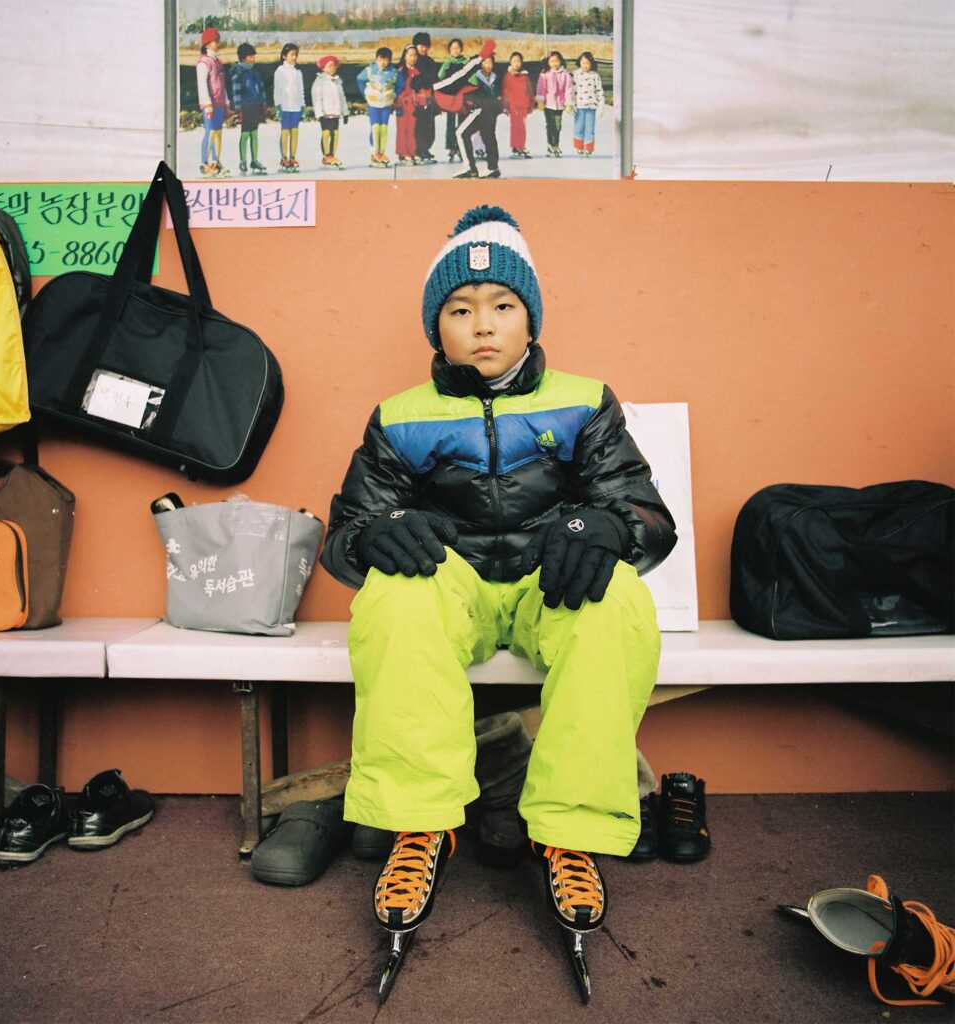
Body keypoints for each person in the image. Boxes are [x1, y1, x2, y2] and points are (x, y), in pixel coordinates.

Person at [320, 204, 676, 994]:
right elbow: (346, 533)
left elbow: (647, 516)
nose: (483, 324)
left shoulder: (586, 400)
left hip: (549, 585)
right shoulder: (400, 415)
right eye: (460, 309)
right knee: (394, 597)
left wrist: (600, 525)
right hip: (461, 588)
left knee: (614, 601)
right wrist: (374, 537)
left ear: (530, 318)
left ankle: (569, 833)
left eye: (502, 305)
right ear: (435, 329)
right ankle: (422, 824)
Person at [433, 40, 503, 179]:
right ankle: (493, 168)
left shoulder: (441, 86)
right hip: (488, 104)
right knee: (487, 134)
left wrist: (482, 55)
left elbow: (464, 72)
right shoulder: (434, 96)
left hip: (482, 105)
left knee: (461, 132)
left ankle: (470, 168)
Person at [196, 27, 231, 178]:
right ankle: (205, 162)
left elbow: (222, 84)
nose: (219, 44)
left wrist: (227, 103)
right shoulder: (204, 63)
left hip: (220, 103)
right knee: (210, 132)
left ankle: (216, 162)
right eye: (216, 41)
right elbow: (202, 85)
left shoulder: (218, 62)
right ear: (207, 44)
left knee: (218, 133)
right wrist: (207, 103)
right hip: (210, 104)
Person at [229, 43, 268, 175]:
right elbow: (236, 92)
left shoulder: (254, 72)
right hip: (245, 108)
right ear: (243, 58)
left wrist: (263, 103)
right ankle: (243, 161)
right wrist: (238, 109)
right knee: (245, 134)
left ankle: (254, 160)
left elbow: (261, 88)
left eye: (254, 56)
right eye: (250, 57)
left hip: (255, 106)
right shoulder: (238, 73)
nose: (253, 59)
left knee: (254, 134)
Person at [357, 47, 399, 168]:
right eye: (380, 60)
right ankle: (374, 152)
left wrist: (394, 94)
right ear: (376, 59)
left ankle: (381, 152)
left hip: (386, 104)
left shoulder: (393, 72)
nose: (383, 63)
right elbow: (360, 79)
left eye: (386, 60)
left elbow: (399, 84)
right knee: (375, 127)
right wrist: (366, 93)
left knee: (383, 128)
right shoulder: (370, 70)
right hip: (374, 104)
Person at [273, 42, 305, 173]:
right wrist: (278, 105)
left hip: (296, 106)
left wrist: (303, 105)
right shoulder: (280, 71)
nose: (294, 57)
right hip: (285, 106)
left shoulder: (298, 72)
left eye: (296, 55)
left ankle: (292, 157)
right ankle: (284, 157)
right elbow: (277, 89)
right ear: (284, 56)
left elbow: (301, 90)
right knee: (285, 132)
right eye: (292, 55)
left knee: (295, 132)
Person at [312, 55, 348, 169]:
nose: (332, 68)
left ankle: (333, 154)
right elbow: (317, 98)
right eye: (329, 66)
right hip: (325, 113)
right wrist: (319, 113)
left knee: (335, 134)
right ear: (323, 68)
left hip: (335, 112)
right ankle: (326, 155)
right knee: (326, 133)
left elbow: (342, 97)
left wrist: (345, 112)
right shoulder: (320, 82)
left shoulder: (338, 81)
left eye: (334, 66)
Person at [394, 45, 427, 167]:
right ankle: (403, 152)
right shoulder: (400, 71)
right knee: (403, 128)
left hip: (414, 104)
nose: (413, 58)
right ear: (405, 56)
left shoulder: (417, 71)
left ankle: (413, 151)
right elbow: (397, 89)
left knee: (414, 129)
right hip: (403, 103)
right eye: (410, 55)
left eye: (415, 55)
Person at [535, 50, 573, 157]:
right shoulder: (545, 74)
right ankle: (550, 145)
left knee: (558, 126)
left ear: (560, 61)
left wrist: (569, 103)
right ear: (548, 63)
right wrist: (540, 101)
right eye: (551, 61)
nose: (554, 64)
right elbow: (541, 88)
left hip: (559, 105)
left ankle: (556, 144)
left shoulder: (566, 75)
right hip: (548, 104)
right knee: (550, 125)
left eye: (556, 61)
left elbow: (568, 89)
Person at [437, 38, 468, 162]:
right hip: (450, 96)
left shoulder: (465, 62)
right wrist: (445, 66)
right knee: (450, 122)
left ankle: (461, 147)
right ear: (449, 50)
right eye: (453, 48)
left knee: (462, 121)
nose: (456, 50)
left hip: (462, 95)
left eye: (458, 48)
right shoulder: (448, 62)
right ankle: (451, 147)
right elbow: (440, 76)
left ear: (461, 49)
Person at [571, 51, 605, 156]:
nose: (585, 65)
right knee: (579, 127)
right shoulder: (575, 74)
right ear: (579, 63)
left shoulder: (595, 76)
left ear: (591, 64)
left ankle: (589, 148)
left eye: (587, 63)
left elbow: (599, 91)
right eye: (583, 63)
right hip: (579, 106)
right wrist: (572, 104)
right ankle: (579, 146)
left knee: (590, 128)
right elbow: (572, 91)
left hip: (591, 107)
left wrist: (601, 105)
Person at [501, 50, 534, 158]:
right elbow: (505, 91)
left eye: (518, 61)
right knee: (515, 126)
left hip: (523, 105)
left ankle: (521, 145)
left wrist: (531, 104)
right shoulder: (508, 76)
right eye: (514, 61)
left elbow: (529, 91)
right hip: (513, 105)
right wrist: (506, 106)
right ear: (510, 62)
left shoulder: (525, 76)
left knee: (522, 126)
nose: (516, 64)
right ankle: (516, 146)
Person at [412, 31, 439, 162]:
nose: (423, 49)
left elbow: (435, 79)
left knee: (430, 125)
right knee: (418, 125)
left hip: (429, 98)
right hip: (417, 100)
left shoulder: (430, 62)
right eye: (420, 46)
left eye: (426, 46)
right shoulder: (413, 61)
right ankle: (418, 149)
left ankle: (426, 148)